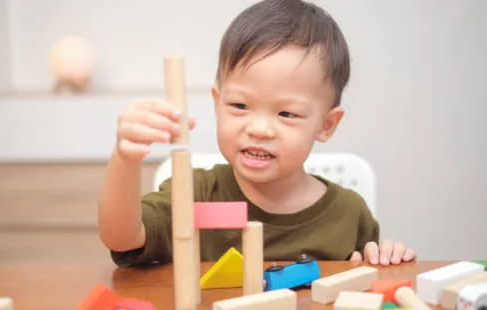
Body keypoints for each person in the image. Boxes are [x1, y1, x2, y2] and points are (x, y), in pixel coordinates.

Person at [98, 0, 416, 267]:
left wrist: (384, 258)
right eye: (239, 105)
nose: (259, 129)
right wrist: (124, 160)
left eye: (286, 113)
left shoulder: (349, 213)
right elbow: (122, 239)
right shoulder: (193, 192)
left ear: (326, 125)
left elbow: (365, 281)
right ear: (217, 103)